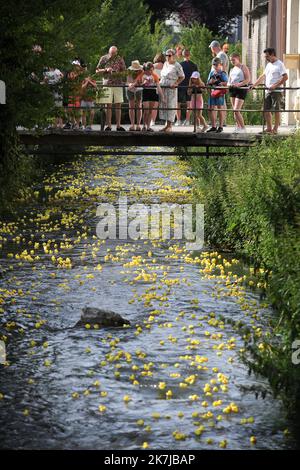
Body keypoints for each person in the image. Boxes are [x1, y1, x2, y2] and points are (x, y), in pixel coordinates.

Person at [251, 48, 288, 134]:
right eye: (265, 56)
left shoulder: (280, 64)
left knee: (276, 110)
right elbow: (263, 76)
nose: (266, 58)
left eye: (267, 56)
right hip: (268, 91)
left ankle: (275, 129)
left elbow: (285, 77)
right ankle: (269, 128)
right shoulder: (268, 65)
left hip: (277, 91)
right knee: (265, 109)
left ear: (272, 55)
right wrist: (254, 85)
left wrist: (275, 86)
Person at [96, 46, 126, 131]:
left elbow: (125, 71)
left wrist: (118, 73)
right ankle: (108, 125)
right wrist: (106, 70)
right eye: (111, 53)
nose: (112, 55)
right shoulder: (104, 58)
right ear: (109, 52)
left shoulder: (120, 59)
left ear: (116, 52)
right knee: (107, 105)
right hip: (107, 84)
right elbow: (97, 71)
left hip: (117, 83)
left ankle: (118, 126)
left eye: (114, 53)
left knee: (118, 104)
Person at [133, 62, 164, 131]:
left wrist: (162, 97)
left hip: (153, 92)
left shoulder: (155, 75)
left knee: (150, 110)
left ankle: (148, 127)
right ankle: (144, 125)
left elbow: (158, 87)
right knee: (146, 110)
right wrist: (142, 84)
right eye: (149, 70)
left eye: (152, 70)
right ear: (146, 70)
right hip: (145, 92)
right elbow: (136, 83)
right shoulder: (142, 75)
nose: (150, 72)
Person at [159, 49, 185, 132]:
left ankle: (170, 125)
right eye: (166, 55)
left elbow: (182, 76)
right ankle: (166, 125)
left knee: (170, 105)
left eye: (169, 55)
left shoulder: (177, 65)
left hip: (171, 87)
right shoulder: (165, 64)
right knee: (164, 105)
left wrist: (176, 83)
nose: (167, 57)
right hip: (163, 87)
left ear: (173, 56)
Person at [228, 52, 250, 133]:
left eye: (233, 60)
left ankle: (243, 128)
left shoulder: (243, 67)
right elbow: (229, 81)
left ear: (238, 58)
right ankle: (237, 126)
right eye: (231, 60)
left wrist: (239, 84)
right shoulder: (232, 69)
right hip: (233, 89)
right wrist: (229, 85)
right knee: (234, 110)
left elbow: (248, 79)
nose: (232, 62)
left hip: (241, 89)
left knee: (236, 110)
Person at [177, 49, 198, 126]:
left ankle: (178, 121)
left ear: (182, 55)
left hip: (180, 86)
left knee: (178, 104)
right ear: (190, 55)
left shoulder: (179, 65)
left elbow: (177, 76)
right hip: (190, 86)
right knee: (189, 104)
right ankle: (187, 120)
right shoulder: (194, 65)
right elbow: (196, 77)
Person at [206, 57, 228, 133]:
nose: (215, 66)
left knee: (220, 109)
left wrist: (219, 82)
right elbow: (208, 82)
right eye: (214, 64)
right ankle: (213, 126)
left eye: (216, 64)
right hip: (212, 92)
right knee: (210, 108)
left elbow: (226, 82)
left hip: (219, 93)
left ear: (220, 64)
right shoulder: (211, 73)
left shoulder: (222, 73)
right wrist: (211, 81)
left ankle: (221, 126)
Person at [127, 60, 143, 131]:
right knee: (131, 107)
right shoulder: (129, 71)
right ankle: (132, 124)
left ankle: (138, 125)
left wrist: (134, 84)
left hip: (139, 89)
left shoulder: (142, 72)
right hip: (130, 89)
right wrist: (130, 84)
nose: (136, 71)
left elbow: (141, 82)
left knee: (139, 106)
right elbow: (127, 81)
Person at [81, 67, 97, 131]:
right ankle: (84, 127)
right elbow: (82, 87)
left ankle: (90, 126)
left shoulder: (92, 79)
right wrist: (87, 81)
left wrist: (89, 81)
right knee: (83, 113)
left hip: (91, 99)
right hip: (84, 99)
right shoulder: (83, 79)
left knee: (92, 113)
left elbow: (95, 86)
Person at [151, 53, 165, 125]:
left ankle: (152, 121)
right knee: (165, 104)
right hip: (164, 86)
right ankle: (166, 121)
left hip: (154, 86)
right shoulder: (165, 66)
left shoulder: (153, 66)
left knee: (154, 105)